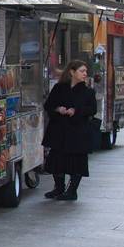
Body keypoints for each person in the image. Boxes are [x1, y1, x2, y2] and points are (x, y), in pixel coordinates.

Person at [43, 60, 97, 201]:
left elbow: (92, 109)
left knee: (77, 162)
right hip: (59, 130)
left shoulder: (88, 92)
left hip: (78, 132)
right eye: (82, 71)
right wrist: (58, 109)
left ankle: (72, 191)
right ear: (72, 72)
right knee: (57, 160)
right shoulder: (59, 88)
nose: (85, 74)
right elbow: (48, 105)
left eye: (85, 71)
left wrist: (76, 111)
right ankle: (59, 187)